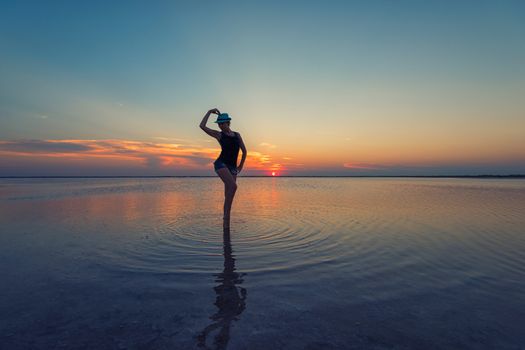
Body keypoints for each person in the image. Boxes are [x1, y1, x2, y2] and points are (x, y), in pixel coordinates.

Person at [199, 108, 247, 228]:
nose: (220, 125)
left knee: (229, 195)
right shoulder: (219, 135)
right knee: (233, 186)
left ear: (228, 123)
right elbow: (202, 126)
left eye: (222, 123)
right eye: (219, 123)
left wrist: (240, 166)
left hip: (232, 167)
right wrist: (209, 112)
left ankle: (226, 221)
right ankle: (226, 218)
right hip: (221, 164)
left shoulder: (237, 135)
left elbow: (244, 151)